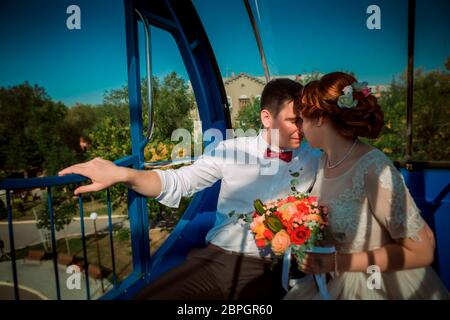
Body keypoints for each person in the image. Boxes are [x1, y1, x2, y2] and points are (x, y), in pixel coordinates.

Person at [58, 78, 321, 299]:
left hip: (269, 267)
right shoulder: (229, 150)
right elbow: (180, 181)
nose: (301, 129)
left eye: (304, 120)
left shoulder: (315, 158)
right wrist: (122, 173)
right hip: (215, 257)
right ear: (266, 117)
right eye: (293, 120)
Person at [284, 72, 448, 299]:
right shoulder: (323, 162)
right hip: (332, 279)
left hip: (376, 284)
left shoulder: (373, 168)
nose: (300, 128)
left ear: (320, 118)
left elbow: (422, 250)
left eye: (302, 119)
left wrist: (335, 262)